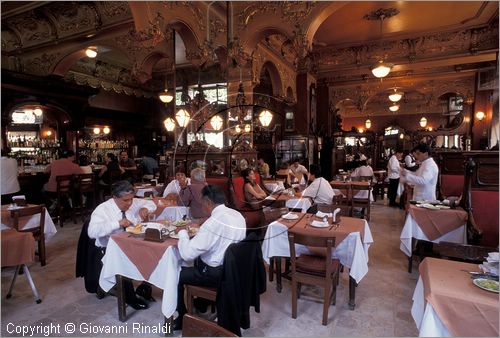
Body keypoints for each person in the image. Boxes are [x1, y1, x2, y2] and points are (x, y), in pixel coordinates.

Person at [173, 185, 246, 330]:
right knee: (199, 258)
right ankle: (201, 302)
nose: (202, 208)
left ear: (208, 203)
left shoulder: (212, 223)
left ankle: (181, 316)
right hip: (235, 269)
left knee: (175, 273)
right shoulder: (237, 215)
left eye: (202, 204)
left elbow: (187, 254)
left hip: (217, 273)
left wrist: (182, 233)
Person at [88, 180, 157, 309]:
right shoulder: (103, 209)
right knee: (123, 260)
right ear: (114, 197)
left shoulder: (133, 202)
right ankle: (129, 297)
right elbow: (92, 232)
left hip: (132, 242)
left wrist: (145, 208)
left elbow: (152, 203)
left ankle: (144, 287)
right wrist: (117, 224)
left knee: (153, 254)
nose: (130, 203)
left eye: (131, 199)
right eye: (125, 201)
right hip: (109, 247)